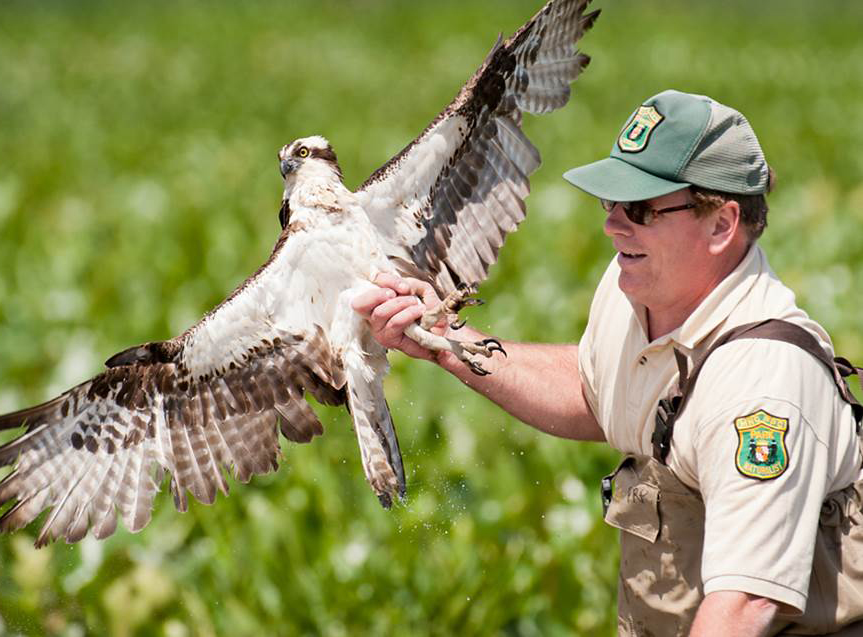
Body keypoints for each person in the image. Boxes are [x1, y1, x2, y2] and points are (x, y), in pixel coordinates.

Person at [353, 89, 863, 636]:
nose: (613, 226)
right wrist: (449, 342)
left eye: (641, 209)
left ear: (722, 224)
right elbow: (595, 391)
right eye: (610, 202)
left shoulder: (765, 383)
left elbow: (743, 608)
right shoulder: (634, 287)